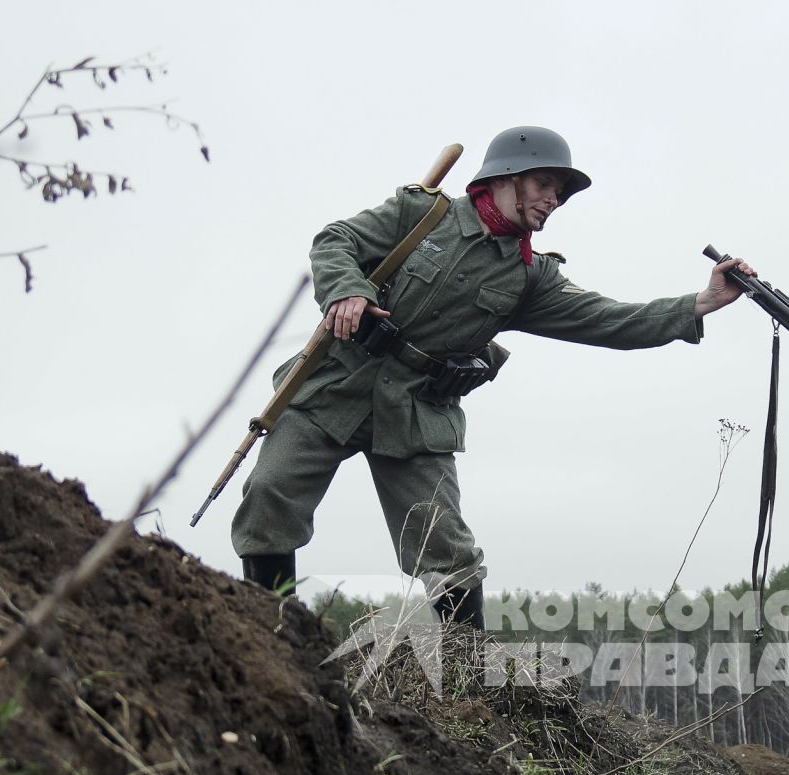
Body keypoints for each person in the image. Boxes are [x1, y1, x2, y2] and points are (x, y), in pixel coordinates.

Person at [232, 126, 753, 627]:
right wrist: (348, 289)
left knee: (446, 549)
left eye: (561, 193)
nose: (554, 200)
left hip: (415, 411)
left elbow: (610, 319)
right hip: (335, 383)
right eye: (545, 185)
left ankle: (467, 682)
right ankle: (271, 632)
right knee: (269, 496)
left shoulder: (528, 275)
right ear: (505, 177)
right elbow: (335, 239)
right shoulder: (421, 213)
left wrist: (703, 301)